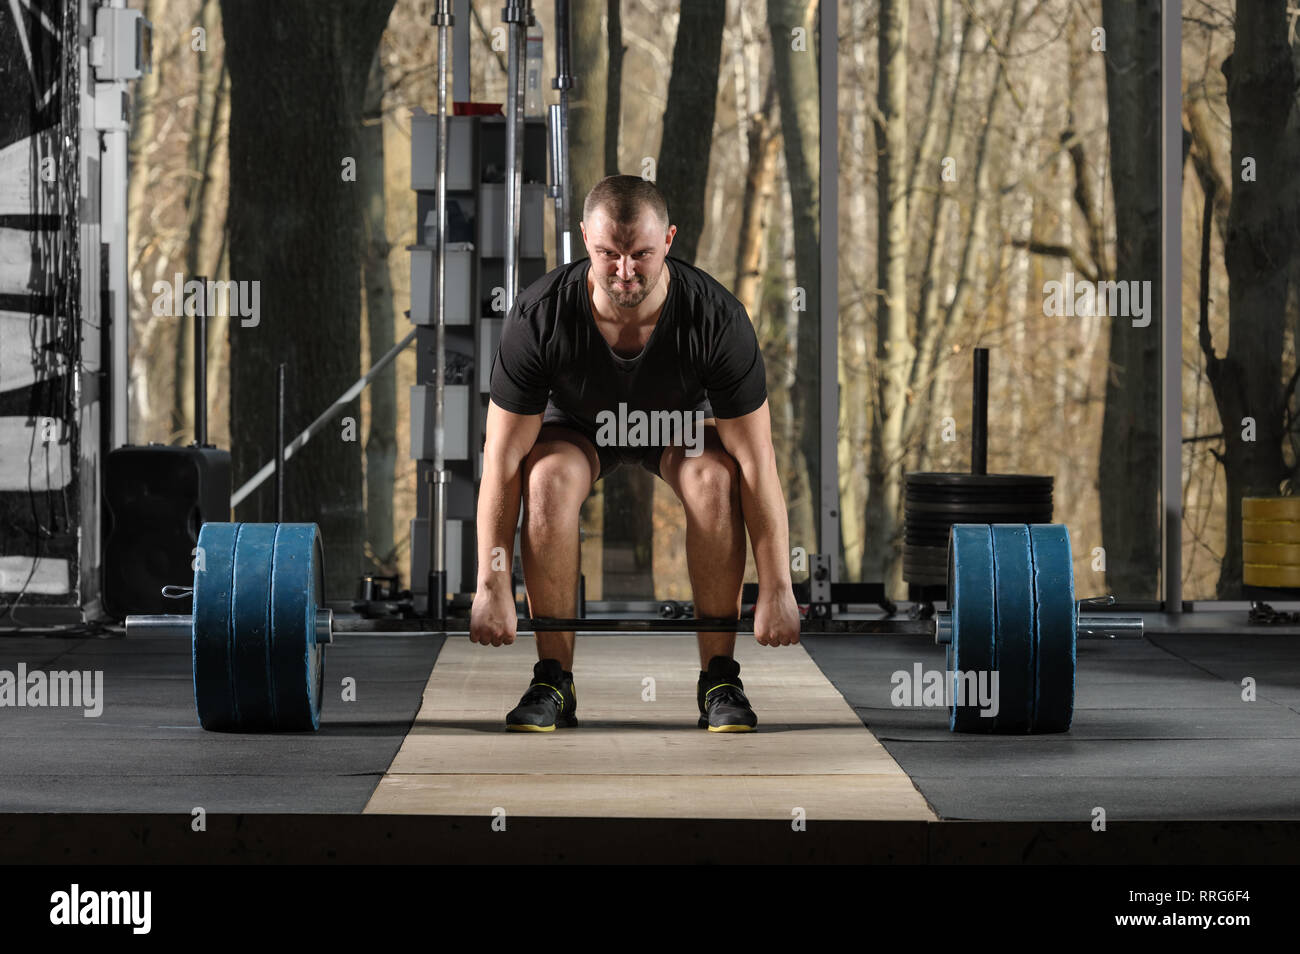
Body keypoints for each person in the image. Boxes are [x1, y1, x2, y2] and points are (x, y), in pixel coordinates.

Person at [471, 174, 801, 732]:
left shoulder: (717, 319)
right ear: (584, 241)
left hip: (674, 426)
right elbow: (501, 460)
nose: (625, 271)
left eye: (641, 254)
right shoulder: (539, 317)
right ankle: (553, 677)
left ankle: (719, 676)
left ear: (669, 239)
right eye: (608, 254)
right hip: (578, 427)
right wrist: (491, 583)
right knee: (544, 481)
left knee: (716, 482)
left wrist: (777, 586)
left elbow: (757, 462)